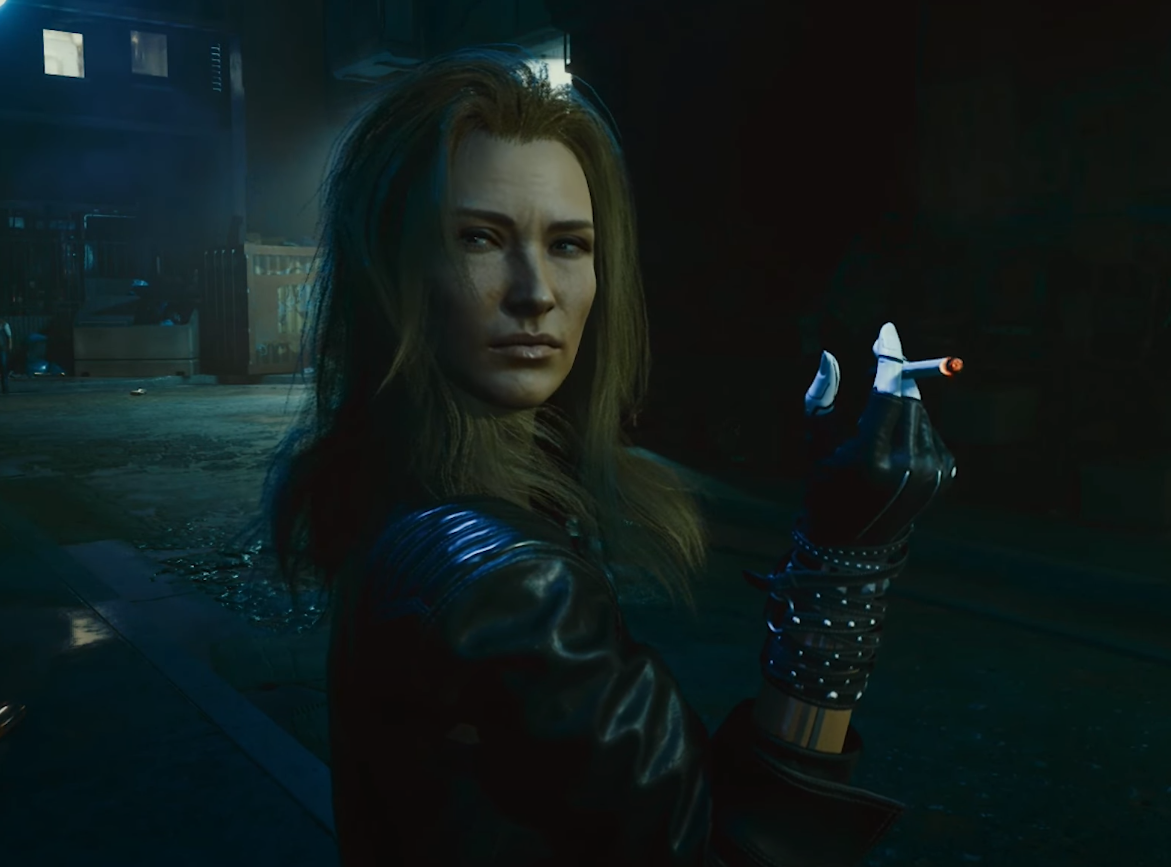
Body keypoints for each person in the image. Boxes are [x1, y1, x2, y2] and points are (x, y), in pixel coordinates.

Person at [267, 47, 955, 867]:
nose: (535, 292)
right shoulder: (515, 583)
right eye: (480, 237)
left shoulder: (403, 497)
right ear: (393, 267)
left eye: (567, 244)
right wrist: (842, 573)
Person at [0, 315, 11, 394]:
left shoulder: (4, 325)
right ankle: (5, 387)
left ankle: (5, 387)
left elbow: (9, 336)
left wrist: (9, 346)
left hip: (2, 348)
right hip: (2, 348)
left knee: (3, 367)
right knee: (3, 367)